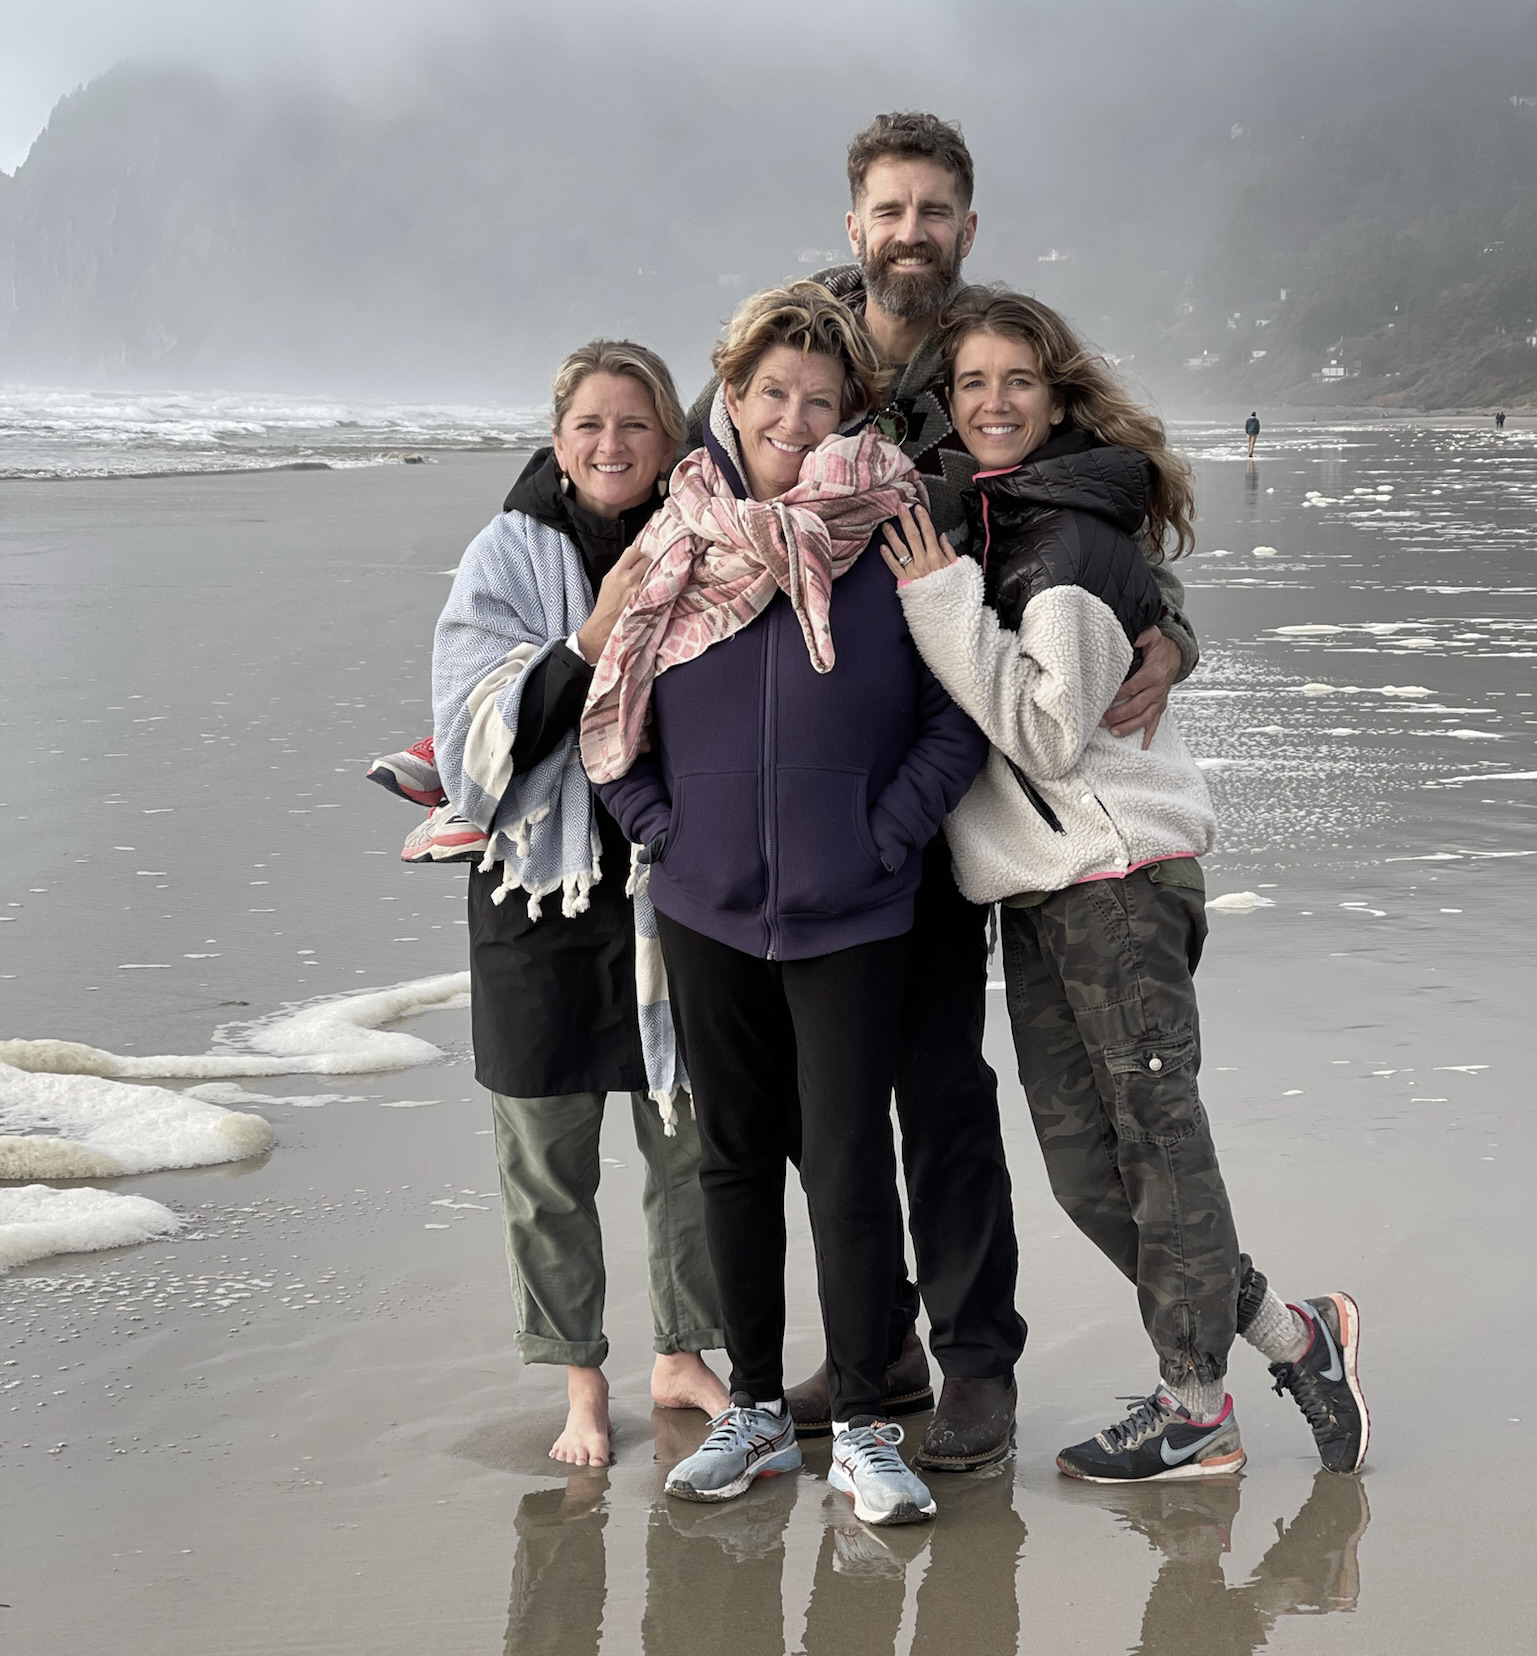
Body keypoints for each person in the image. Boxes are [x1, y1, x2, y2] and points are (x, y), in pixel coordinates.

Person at [687, 111, 1200, 1473]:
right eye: (888, 210)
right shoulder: (799, 358)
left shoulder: (997, 364)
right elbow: (686, 504)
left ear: (965, 228)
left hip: (943, 801)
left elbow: (1098, 514)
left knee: (937, 1089)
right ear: (853, 223)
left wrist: (1169, 630)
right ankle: (876, 1353)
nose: (910, 233)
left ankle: (973, 1361)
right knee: (813, 1110)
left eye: (935, 212)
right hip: (797, 816)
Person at [882, 286, 1369, 1482]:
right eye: (973, 383)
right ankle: (1291, 1336)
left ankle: (1195, 1408)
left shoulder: (1064, 542)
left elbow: (1046, 737)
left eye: (1017, 381)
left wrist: (937, 597)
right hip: (1043, 885)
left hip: (1116, 874)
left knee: (1157, 1150)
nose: (993, 402)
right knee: (1089, 1172)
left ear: (1056, 399)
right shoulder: (1005, 518)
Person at [583, 283, 987, 1525]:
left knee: (852, 1171)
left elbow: (952, 717)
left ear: (853, 409)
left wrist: (881, 839)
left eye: (821, 403)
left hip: (853, 913)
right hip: (708, 911)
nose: (793, 420)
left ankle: (866, 1421)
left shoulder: (891, 540)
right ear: (731, 393)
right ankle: (757, 1410)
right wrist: (669, 834)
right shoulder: (676, 543)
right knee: (734, 1165)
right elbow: (617, 715)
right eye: (771, 396)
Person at [428, 340, 728, 1467]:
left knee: (688, 1141)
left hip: (677, 885)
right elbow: (469, 744)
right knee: (546, 1156)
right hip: (538, 897)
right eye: (590, 424)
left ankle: (682, 1354)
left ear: (671, 442)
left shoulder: (708, 540)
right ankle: (582, 1381)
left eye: (636, 425)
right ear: (557, 438)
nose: (612, 445)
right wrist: (594, 635)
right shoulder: (502, 554)